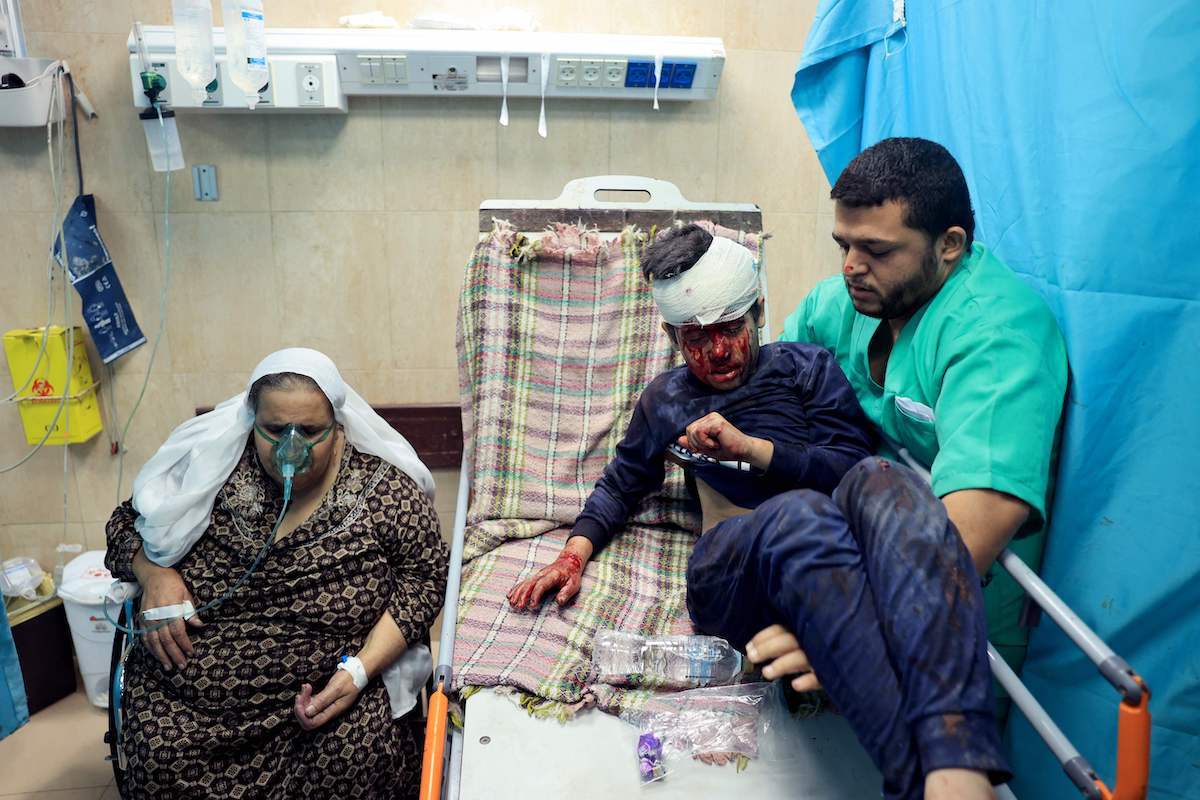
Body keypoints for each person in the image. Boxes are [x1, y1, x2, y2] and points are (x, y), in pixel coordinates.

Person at [507, 225, 1010, 800]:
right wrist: (572, 556)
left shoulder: (807, 369)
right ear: (673, 338)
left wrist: (752, 450)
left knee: (885, 476)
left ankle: (952, 767)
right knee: (798, 516)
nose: (715, 352)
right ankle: (927, 780)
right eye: (694, 340)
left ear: (757, 313)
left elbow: (848, 467)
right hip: (729, 570)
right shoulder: (667, 401)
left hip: (825, 560)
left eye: (727, 330)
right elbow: (622, 485)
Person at [765, 137, 1069, 723]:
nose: (852, 266)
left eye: (876, 249)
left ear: (949, 245)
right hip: (863, 552)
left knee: (941, 752)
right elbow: (775, 387)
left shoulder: (998, 339)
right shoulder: (846, 302)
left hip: (958, 599)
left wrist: (849, 620)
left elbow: (973, 524)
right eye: (844, 244)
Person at [104, 348, 449, 799]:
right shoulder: (207, 473)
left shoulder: (386, 491)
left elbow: (425, 577)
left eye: (309, 431)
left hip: (327, 698)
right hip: (188, 706)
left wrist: (360, 673)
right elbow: (122, 526)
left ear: (337, 427)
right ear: (252, 422)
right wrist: (152, 573)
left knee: (351, 761)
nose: (291, 447)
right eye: (274, 430)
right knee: (161, 757)